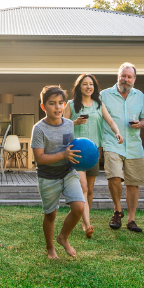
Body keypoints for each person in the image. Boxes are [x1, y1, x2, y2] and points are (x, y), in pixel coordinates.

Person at [63, 73, 123, 239]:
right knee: (82, 187)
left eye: (91, 84)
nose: (88, 87)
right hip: (77, 151)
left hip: (94, 152)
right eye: (85, 84)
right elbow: (61, 125)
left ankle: (83, 220)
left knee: (90, 190)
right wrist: (74, 123)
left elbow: (110, 121)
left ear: (94, 88)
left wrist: (117, 132)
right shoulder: (71, 104)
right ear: (79, 87)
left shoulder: (98, 104)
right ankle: (87, 224)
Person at [31, 85, 85, 259]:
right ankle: (50, 247)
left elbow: (72, 147)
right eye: (52, 103)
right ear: (43, 106)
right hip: (47, 176)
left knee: (79, 207)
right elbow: (39, 158)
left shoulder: (69, 124)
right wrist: (62, 154)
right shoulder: (38, 129)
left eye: (61, 103)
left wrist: (82, 158)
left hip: (67, 172)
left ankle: (63, 237)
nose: (58, 107)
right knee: (50, 214)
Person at [99, 62, 144, 233]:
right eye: (123, 76)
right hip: (112, 142)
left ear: (134, 79)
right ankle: (117, 210)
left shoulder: (139, 96)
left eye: (129, 77)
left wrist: (140, 124)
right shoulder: (104, 95)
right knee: (113, 176)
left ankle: (131, 219)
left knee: (133, 182)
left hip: (134, 145)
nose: (126, 79)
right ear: (118, 77)